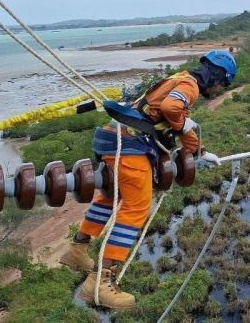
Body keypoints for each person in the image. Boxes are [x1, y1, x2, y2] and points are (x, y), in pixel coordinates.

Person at [58, 49, 237, 310]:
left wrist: (200, 151)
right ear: (217, 75)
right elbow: (171, 108)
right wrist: (185, 124)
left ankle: (77, 249)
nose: (220, 88)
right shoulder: (190, 86)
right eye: (223, 83)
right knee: (137, 208)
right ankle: (99, 282)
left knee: (110, 198)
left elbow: (173, 119)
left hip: (112, 139)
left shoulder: (179, 77)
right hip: (131, 147)